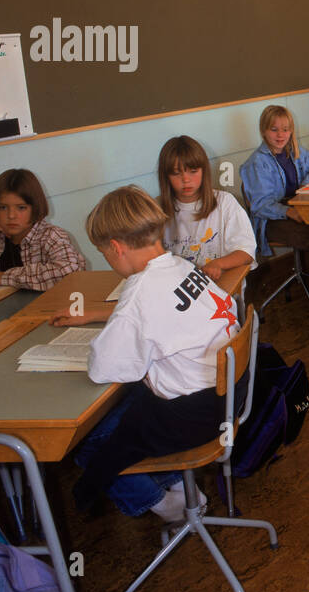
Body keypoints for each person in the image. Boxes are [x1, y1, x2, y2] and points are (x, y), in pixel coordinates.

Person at [60, 186, 241, 522]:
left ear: (115, 248)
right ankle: (178, 485)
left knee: (85, 440)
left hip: (193, 416)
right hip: (232, 396)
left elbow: (102, 369)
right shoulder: (184, 267)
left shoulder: (139, 294)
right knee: (127, 409)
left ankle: (163, 504)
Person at [0, 168, 86, 291]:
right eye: (3, 207)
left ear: (35, 208)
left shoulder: (52, 236)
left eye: (21, 208)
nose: (11, 216)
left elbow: (69, 273)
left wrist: (6, 277)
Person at [156, 135, 256, 282]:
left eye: (193, 171)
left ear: (204, 171)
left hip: (222, 287)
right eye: (177, 173)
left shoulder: (225, 202)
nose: (186, 179)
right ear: (166, 177)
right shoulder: (155, 209)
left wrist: (218, 264)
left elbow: (246, 252)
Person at [240, 104, 309, 258]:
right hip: (271, 220)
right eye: (274, 129)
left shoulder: (294, 151)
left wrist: (305, 183)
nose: (280, 135)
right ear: (263, 131)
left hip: (297, 207)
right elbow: (260, 206)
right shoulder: (257, 163)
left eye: (285, 129)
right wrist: (289, 212)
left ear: (291, 131)